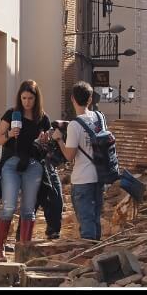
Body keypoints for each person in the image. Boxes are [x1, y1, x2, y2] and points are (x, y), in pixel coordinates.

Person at [0, 80, 52, 262]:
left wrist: (45, 139)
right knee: (9, 206)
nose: (27, 102)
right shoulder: (12, 114)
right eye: (24, 98)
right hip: (12, 163)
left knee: (28, 209)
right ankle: (0, 250)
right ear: (20, 97)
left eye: (30, 98)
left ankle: (23, 252)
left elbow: (48, 143)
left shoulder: (42, 117)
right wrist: (10, 134)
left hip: (33, 165)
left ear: (36, 99)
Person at [53, 81, 105, 240]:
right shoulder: (99, 117)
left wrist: (59, 140)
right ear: (90, 100)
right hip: (100, 176)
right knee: (95, 219)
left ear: (72, 99)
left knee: (86, 221)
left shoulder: (74, 125)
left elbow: (69, 156)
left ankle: (89, 256)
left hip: (82, 179)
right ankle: (97, 254)